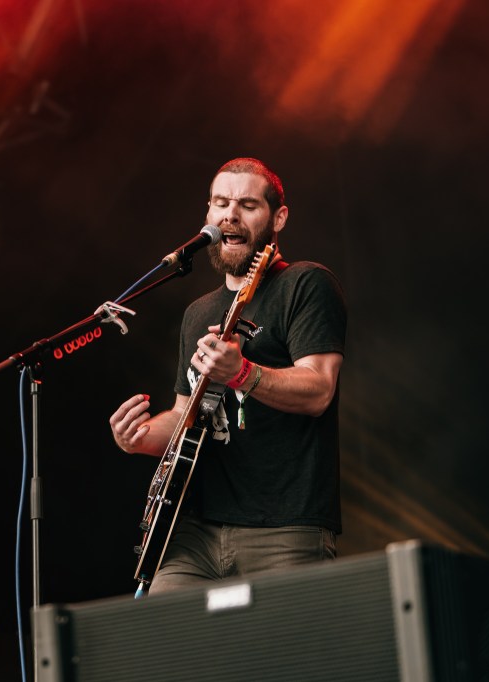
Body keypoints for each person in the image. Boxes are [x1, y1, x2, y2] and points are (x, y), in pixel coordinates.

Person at [110, 157, 346, 592]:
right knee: (159, 631)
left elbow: (318, 390)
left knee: (289, 638)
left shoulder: (305, 283)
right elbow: (184, 415)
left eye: (247, 205)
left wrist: (242, 373)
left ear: (279, 218)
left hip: (283, 528)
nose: (230, 215)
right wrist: (138, 438)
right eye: (220, 203)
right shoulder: (197, 312)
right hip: (193, 533)